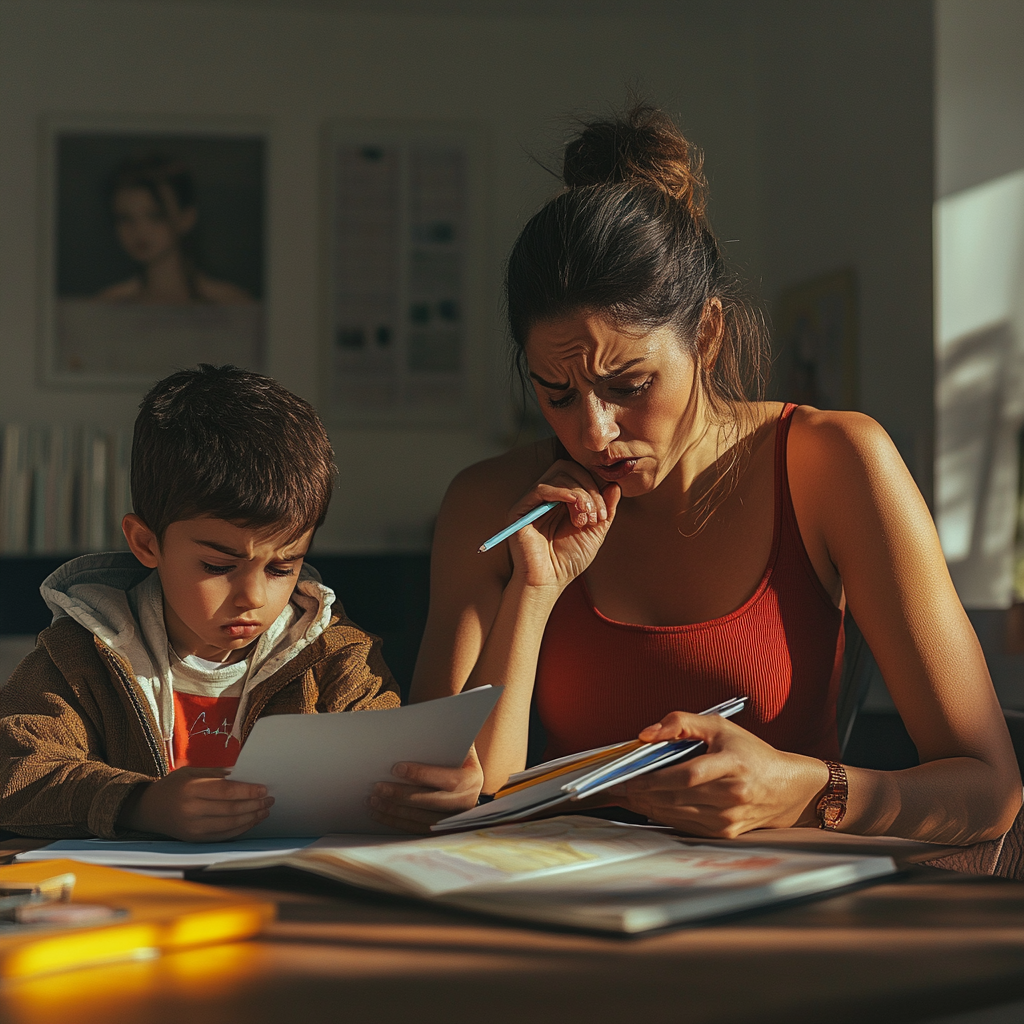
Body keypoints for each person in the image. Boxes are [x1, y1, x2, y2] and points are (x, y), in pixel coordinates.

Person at [389, 105, 1022, 845]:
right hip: (556, 914)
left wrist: (803, 790)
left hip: (779, 916)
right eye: (556, 394)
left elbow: (991, 792)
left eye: (628, 385)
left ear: (709, 335)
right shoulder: (493, 504)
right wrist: (534, 594)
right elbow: (445, 797)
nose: (593, 432)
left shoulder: (833, 463)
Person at [0, 365, 476, 841]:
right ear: (146, 543)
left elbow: (387, 773)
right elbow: (15, 774)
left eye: (281, 568)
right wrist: (140, 804)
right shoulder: (81, 655)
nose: (253, 597)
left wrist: (433, 790)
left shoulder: (335, 658)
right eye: (217, 567)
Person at [95, 154, 254, 306]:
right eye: (125, 218)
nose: (139, 230)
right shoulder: (107, 304)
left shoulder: (231, 303)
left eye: (156, 216)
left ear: (187, 218)